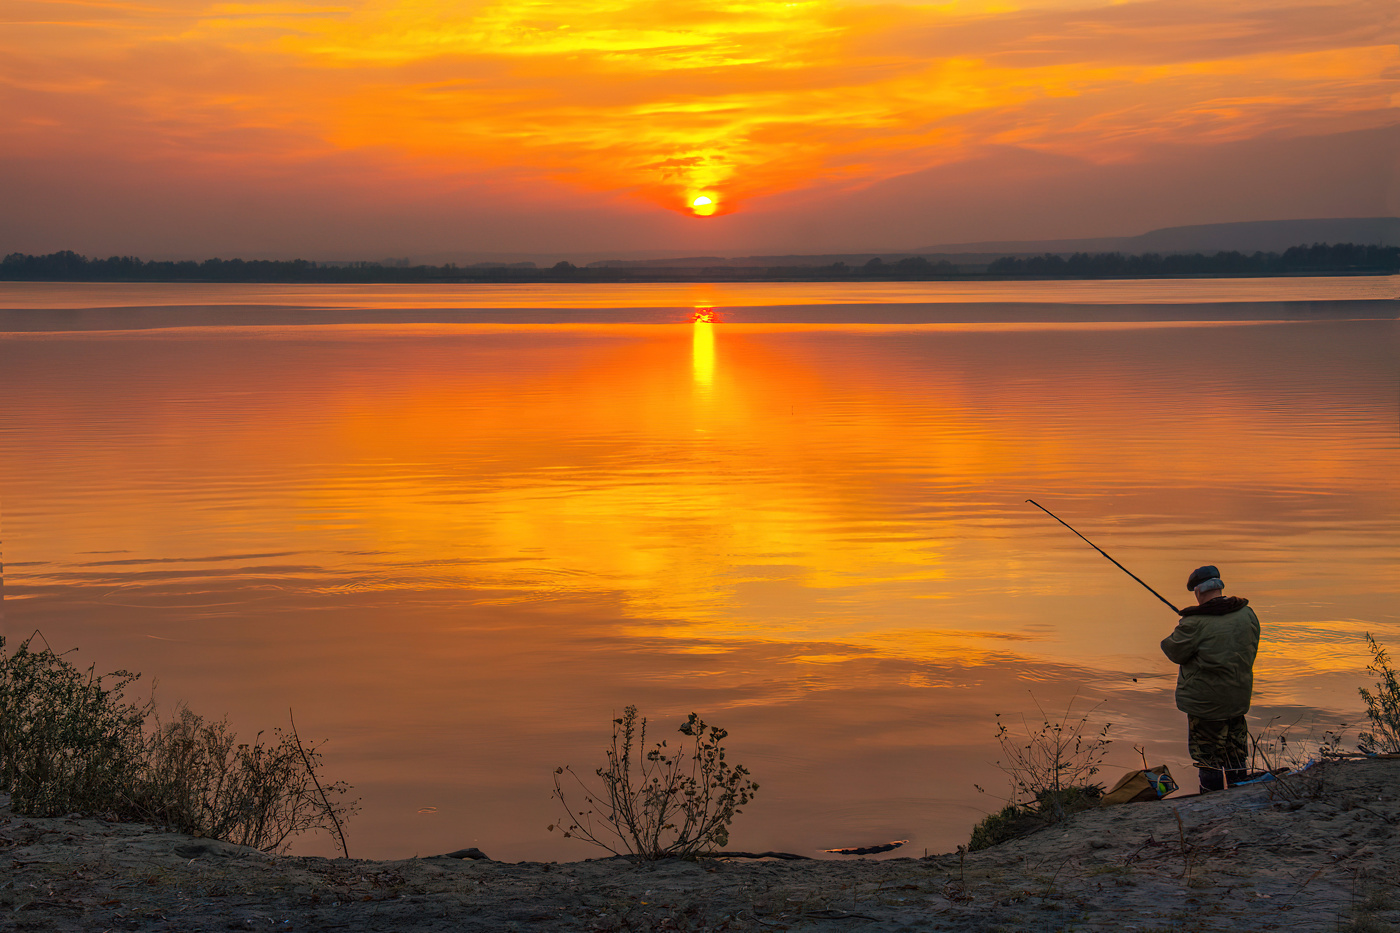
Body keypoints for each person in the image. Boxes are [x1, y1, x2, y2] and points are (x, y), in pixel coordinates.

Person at [1160, 565, 1260, 793]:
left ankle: (1209, 798)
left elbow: (1173, 651)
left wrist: (1186, 624)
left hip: (1205, 704)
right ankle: (1240, 794)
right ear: (1219, 586)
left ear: (1197, 592)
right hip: (1237, 697)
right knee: (1235, 752)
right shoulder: (1247, 614)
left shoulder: (1194, 624)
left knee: (1208, 756)